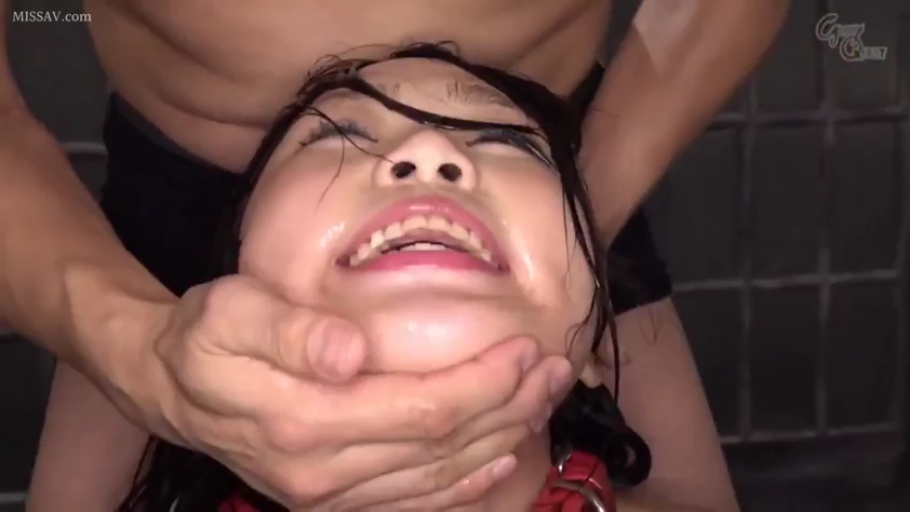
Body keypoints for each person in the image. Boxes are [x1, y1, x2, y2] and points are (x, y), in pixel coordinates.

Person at [1, 1, 788, 510]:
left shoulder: (561, 228)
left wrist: (576, 230)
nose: (427, 151)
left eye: (493, 138)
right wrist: (139, 352)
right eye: (338, 135)